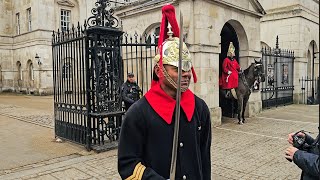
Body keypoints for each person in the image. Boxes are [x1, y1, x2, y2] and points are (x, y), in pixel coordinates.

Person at [118, 4, 211, 180]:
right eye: (177, 68)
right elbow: (128, 164)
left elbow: (204, 159)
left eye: (187, 67)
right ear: (159, 71)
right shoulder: (138, 113)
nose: (185, 74)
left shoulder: (200, 108)